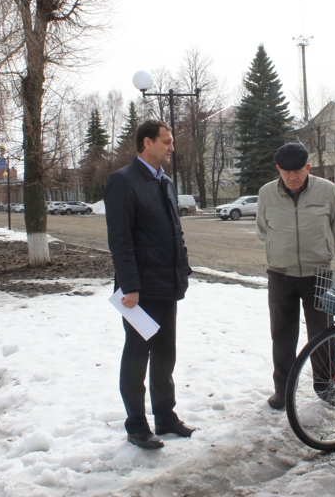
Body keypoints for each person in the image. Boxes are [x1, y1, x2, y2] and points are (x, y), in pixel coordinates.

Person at [104, 120, 194, 450]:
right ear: (147, 143)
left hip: (166, 285)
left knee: (165, 357)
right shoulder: (123, 182)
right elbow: (120, 240)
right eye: (166, 141)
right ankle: (137, 425)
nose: (172, 147)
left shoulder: (166, 182)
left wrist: (181, 271)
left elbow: (175, 232)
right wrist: (130, 286)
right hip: (138, 292)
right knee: (137, 358)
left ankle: (165, 417)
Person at [255, 142, 335, 410]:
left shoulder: (327, 190)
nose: (293, 177)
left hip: (318, 275)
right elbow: (262, 230)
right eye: (286, 172)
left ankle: (326, 385)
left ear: (308, 167)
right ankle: (283, 390)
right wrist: (278, 252)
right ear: (278, 169)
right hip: (281, 276)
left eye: (298, 171)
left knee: (323, 334)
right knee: (282, 336)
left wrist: (323, 252)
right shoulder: (266, 193)